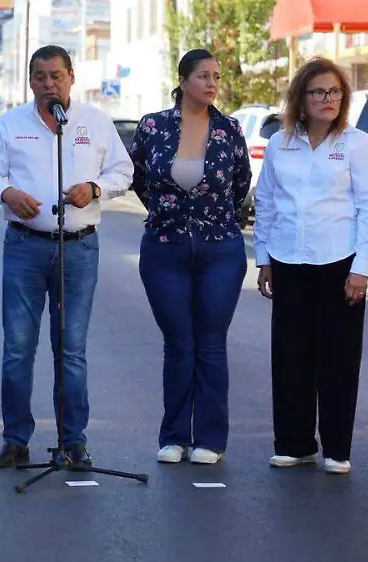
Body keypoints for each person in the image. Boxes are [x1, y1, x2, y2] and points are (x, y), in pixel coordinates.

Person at [0, 45, 134, 469]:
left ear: (71, 77)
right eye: (40, 77)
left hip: (78, 247)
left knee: (71, 349)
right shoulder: (11, 124)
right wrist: (5, 192)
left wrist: (95, 189)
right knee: (18, 348)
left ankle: (73, 441)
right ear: (31, 81)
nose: (49, 84)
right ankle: (15, 439)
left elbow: (123, 171)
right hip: (25, 246)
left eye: (56, 76)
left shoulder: (94, 122)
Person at [253, 58, 368, 475]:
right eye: (318, 92)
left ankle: (336, 449)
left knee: (339, 358)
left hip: (340, 263)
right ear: (301, 99)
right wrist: (264, 259)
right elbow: (268, 202)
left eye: (335, 92)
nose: (328, 99)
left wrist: (361, 267)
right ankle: (295, 444)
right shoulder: (279, 143)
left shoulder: (357, 143)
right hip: (288, 260)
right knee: (291, 355)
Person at [128, 48, 251, 466]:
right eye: (203, 76)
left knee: (211, 344)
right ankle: (174, 436)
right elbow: (139, 178)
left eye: (217, 76)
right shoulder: (151, 127)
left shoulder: (230, 129)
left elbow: (239, 185)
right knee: (179, 343)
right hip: (165, 248)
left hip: (221, 249)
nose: (212, 83)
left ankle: (210, 440)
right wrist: (171, 215)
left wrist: (207, 219)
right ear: (182, 81)